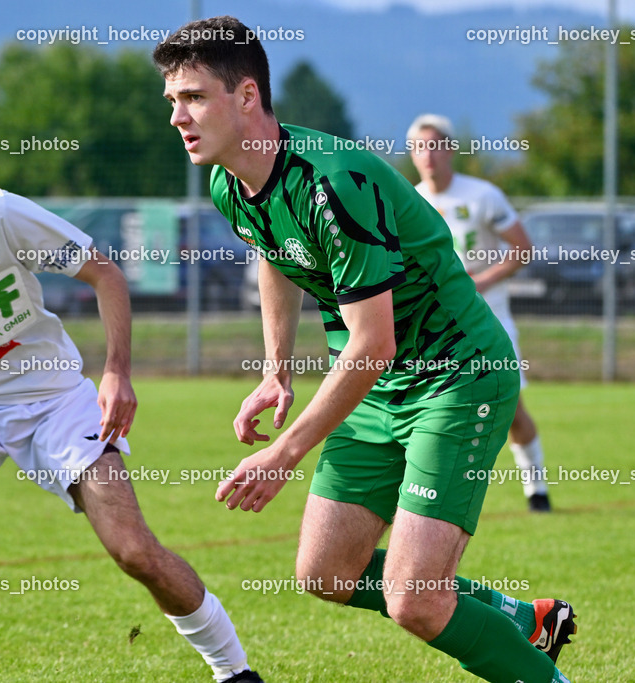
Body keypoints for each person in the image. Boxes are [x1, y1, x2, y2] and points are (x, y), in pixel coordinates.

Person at [154, 17, 576, 683]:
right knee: (325, 571)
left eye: (194, 97)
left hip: (455, 376)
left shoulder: (333, 182)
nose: (177, 116)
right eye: (172, 100)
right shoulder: (228, 181)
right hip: (377, 390)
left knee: (414, 599)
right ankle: (518, 618)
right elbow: (276, 254)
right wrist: (276, 370)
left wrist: (285, 450)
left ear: (246, 97)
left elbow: (373, 343)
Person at [0, 100, 262, 683]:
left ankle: (234, 673)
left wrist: (116, 372)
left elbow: (104, 273)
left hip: (54, 399)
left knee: (133, 551)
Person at [408, 114, 553, 512]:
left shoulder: (482, 195)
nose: (428, 155)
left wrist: (481, 281)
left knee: (511, 413)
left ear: (451, 149)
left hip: (491, 322)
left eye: (435, 145)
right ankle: (430, 498)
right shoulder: (413, 200)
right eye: (420, 147)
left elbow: (522, 249)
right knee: (434, 410)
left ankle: (536, 489)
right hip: (439, 329)